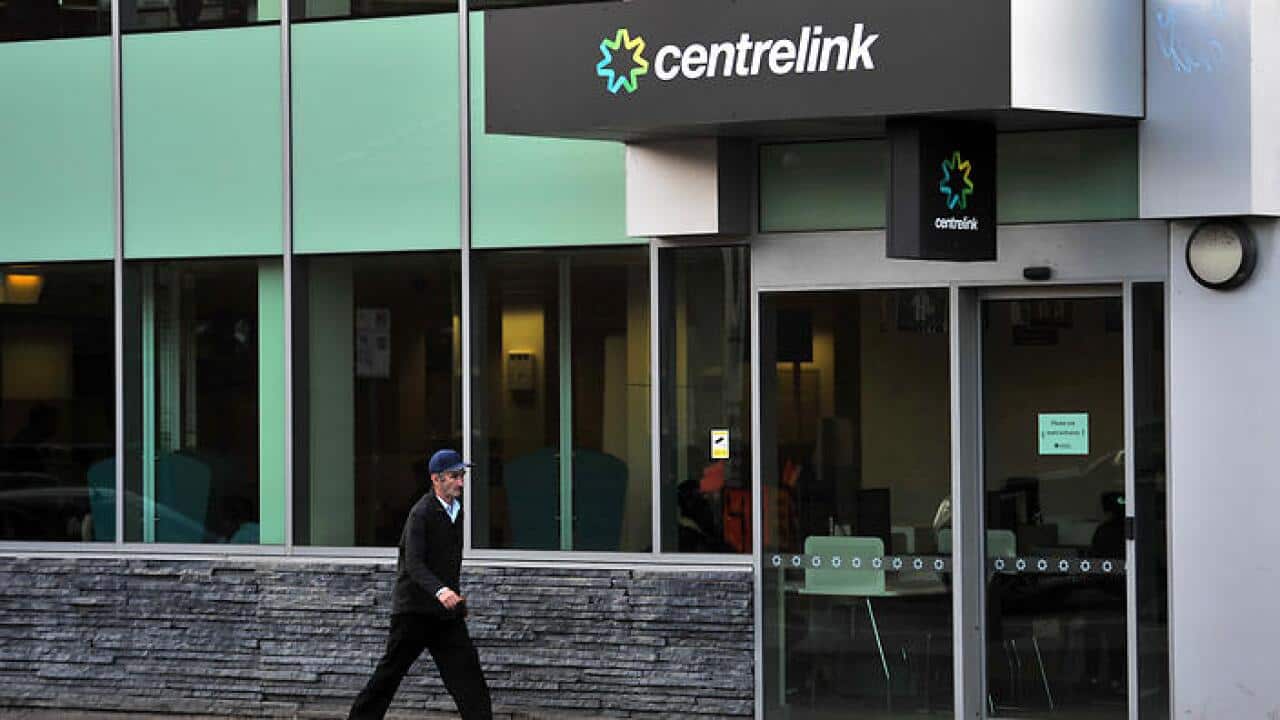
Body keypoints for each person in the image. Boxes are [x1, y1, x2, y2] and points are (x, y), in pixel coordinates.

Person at [349, 449, 493, 720]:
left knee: (469, 677)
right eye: (454, 476)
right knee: (389, 675)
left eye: (461, 476)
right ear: (436, 479)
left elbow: (445, 562)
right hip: (413, 612)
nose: (461, 482)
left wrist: (454, 599)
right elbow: (413, 564)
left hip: (445, 615)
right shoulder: (421, 513)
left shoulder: (456, 511)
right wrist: (442, 591)